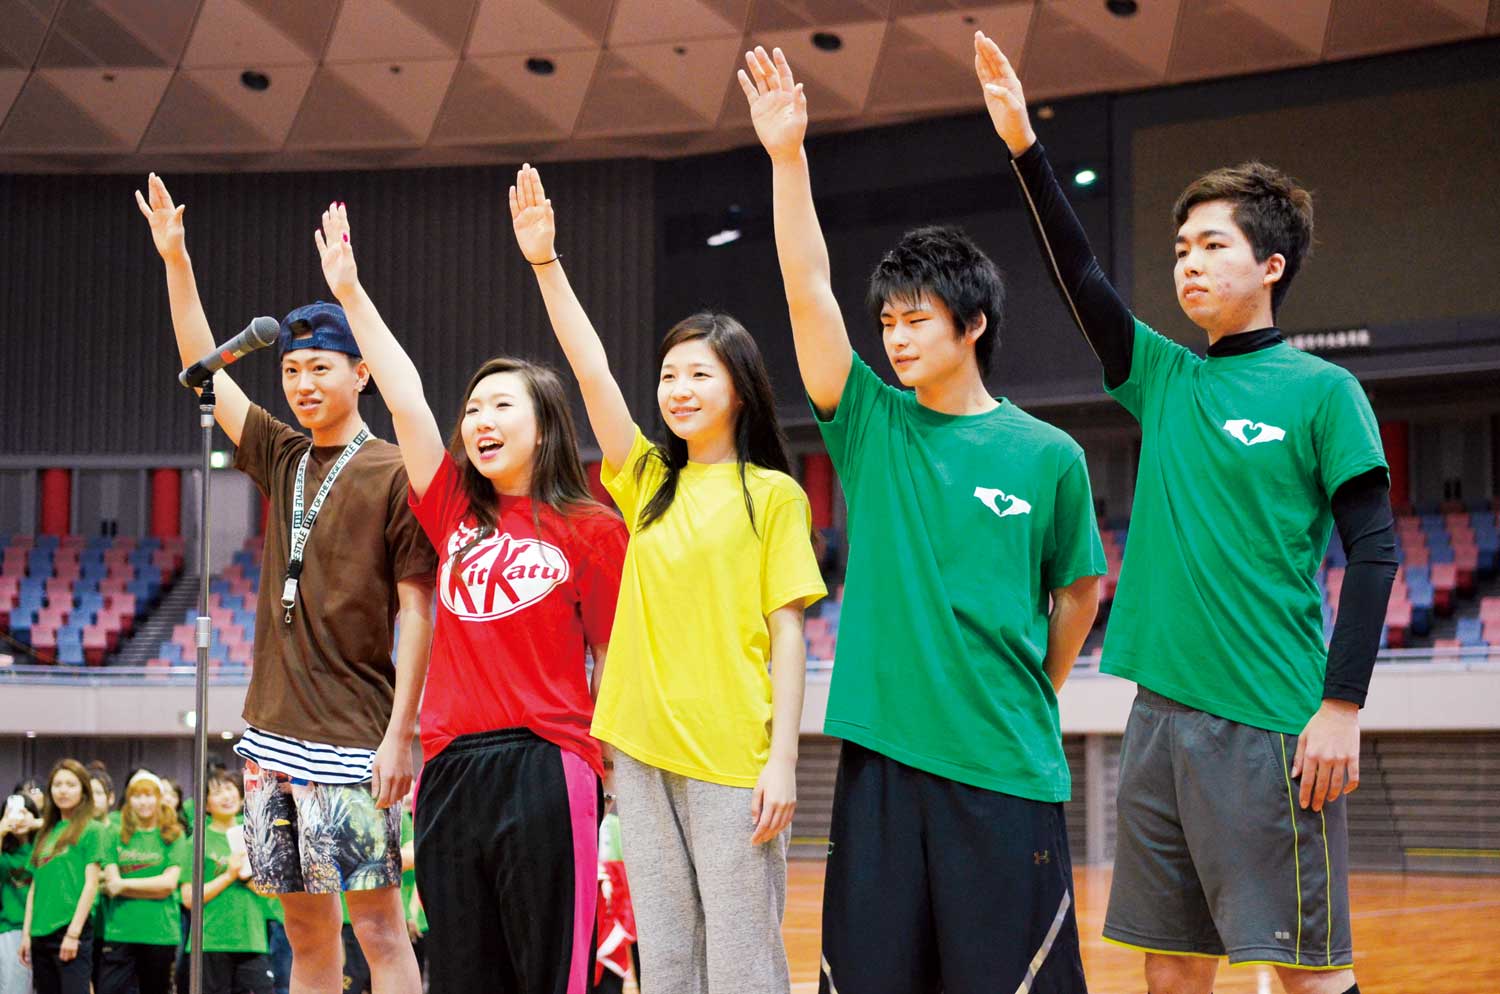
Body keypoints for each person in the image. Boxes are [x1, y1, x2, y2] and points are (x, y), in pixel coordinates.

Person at [976, 31, 1397, 994]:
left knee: (1308, 975)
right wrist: (1024, 147)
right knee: (1169, 973)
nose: (1189, 264)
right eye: (1180, 250)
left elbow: (1374, 554)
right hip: (1159, 721)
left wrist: (1342, 706)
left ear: (1272, 264)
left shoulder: (1324, 392)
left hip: (1272, 724)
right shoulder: (1164, 378)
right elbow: (1081, 279)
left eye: (1213, 245)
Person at [739, 46, 1106, 994]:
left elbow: (1078, 591)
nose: (896, 339)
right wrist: (788, 158)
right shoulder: (871, 424)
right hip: (883, 766)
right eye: (888, 323)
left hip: (1004, 767)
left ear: (972, 324)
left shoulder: (1049, 457)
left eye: (917, 320)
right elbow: (807, 289)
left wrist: (1032, 686)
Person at [512, 164, 826, 994]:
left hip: (731, 755)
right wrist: (546, 264)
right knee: (669, 958)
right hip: (638, 747)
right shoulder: (648, 479)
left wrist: (783, 762)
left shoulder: (774, 495)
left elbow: (790, 634)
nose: (678, 390)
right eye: (670, 375)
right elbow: (591, 373)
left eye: (700, 374)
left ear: (740, 389)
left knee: (742, 961)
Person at [314, 200, 628, 994]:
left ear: (544, 426)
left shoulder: (593, 529)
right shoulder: (452, 509)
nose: (479, 419)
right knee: (459, 974)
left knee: (551, 974)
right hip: (450, 769)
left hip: (549, 764)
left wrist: (613, 768)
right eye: (474, 409)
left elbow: (611, 658)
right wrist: (351, 294)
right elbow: (406, 398)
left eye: (500, 406)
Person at [137, 174, 437, 994]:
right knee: (306, 938)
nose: (303, 383)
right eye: (293, 369)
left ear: (361, 373)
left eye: (320, 368)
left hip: (357, 736)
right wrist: (177, 262)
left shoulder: (396, 470)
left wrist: (400, 735)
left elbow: (419, 610)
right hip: (271, 737)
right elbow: (206, 368)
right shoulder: (281, 453)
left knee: (379, 931)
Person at [178, 772, 275, 994]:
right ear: (206, 804)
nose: (226, 796)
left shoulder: (255, 835)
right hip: (210, 942)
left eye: (230, 789)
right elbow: (188, 899)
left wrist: (246, 875)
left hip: (252, 940)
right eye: (217, 792)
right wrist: (228, 876)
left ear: (240, 797)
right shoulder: (196, 841)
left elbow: (271, 891)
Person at [21, 760, 105, 994]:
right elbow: (34, 888)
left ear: (83, 790)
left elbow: (91, 884)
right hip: (40, 934)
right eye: (57, 785)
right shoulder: (45, 833)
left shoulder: (92, 829)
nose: (63, 790)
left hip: (70, 930)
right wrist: (26, 934)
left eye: (70, 784)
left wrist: (73, 934)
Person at [98, 771, 186, 994]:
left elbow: (168, 884)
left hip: (160, 933)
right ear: (129, 800)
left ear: (159, 798)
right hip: (120, 931)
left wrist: (124, 885)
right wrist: (151, 887)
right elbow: (111, 884)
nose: (143, 802)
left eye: (149, 795)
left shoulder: (174, 835)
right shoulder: (114, 834)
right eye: (137, 796)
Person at [1, 791, 42, 994]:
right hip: (12, 927)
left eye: (24, 811)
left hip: (44, 928)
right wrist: (1, 831)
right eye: (12, 812)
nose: (17, 817)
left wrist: (35, 824)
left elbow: (66, 827)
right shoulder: (5, 854)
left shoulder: (44, 846)